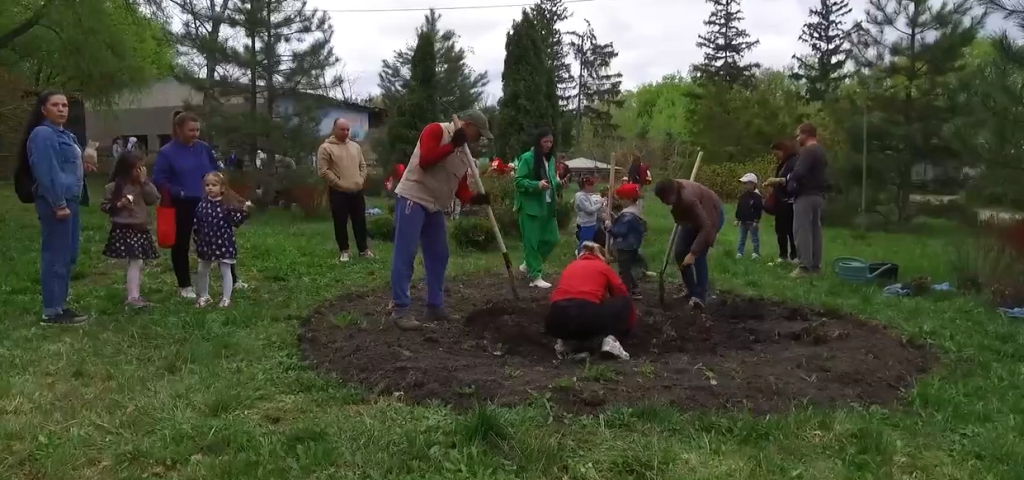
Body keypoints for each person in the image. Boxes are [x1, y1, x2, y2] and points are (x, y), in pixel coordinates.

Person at [390, 110, 493, 330]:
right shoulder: (436, 130)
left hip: (435, 205)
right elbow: (425, 162)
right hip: (414, 197)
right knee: (405, 253)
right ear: (467, 125)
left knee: (439, 255)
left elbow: (460, 188)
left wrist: (474, 199)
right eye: (479, 132)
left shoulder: (464, 152)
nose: (480, 138)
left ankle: (435, 306)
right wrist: (451, 145)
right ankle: (400, 310)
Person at [18, 90, 93, 325]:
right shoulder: (42, 134)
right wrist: (58, 203)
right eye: (55, 105)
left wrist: (81, 166)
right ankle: (52, 311)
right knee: (56, 255)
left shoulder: (64, 134)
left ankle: (60, 305)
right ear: (44, 110)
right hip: (55, 201)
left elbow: (62, 166)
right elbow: (46, 171)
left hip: (69, 199)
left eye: (64, 105)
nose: (62, 109)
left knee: (68, 254)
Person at [153, 112, 245, 298]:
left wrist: (222, 190)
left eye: (197, 130)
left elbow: (214, 171)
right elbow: (159, 179)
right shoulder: (167, 152)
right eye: (191, 130)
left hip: (209, 202)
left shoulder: (203, 148)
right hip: (182, 204)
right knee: (181, 244)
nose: (195, 134)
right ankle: (185, 285)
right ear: (178, 129)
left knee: (220, 237)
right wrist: (177, 191)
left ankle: (233, 280)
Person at [546, 241, 635, 360]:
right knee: (623, 301)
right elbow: (622, 294)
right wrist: (627, 328)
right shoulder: (603, 267)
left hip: (554, 321)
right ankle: (612, 341)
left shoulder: (571, 266)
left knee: (572, 309)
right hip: (588, 318)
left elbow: (555, 298)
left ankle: (567, 345)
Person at [766, 123, 828, 277]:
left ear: (806, 134)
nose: (797, 138)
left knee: (802, 230)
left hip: (805, 195)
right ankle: (815, 266)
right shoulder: (821, 151)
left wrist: (784, 180)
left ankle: (804, 267)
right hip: (818, 195)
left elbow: (798, 173)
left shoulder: (807, 151)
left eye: (798, 134)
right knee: (815, 231)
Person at [652, 178, 725, 311]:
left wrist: (692, 253)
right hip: (691, 217)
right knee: (680, 253)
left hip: (711, 214)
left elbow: (706, 227)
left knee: (699, 256)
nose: (664, 203)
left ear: (671, 194)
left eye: (665, 199)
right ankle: (691, 290)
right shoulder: (672, 189)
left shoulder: (688, 199)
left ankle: (700, 297)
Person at [100, 151, 161, 307]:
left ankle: (135, 295)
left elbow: (153, 199)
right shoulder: (113, 187)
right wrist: (118, 205)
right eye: (138, 168)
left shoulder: (142, 186)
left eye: (143, 168)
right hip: (124, 228)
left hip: (140, 227)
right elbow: (105, 207)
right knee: (136, 261)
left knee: (138, 262)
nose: (141, 172)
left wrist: (145, 182)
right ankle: (133, 297)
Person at [514, 128, 566, 289]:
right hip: (530, 207)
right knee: (531, 243)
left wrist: (559, 183)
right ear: (538, 142)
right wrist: (536, 185)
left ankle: (528, 264)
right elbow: (518, 181)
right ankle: (535, 276)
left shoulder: (549, 160)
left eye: (551, 141)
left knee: (552, 238)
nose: (549, 145)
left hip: (547, 206)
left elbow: (550, 180)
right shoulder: (527, 158)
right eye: (545, 141)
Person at [317, 118, 372, 262]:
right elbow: (323, 170)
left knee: (360, 221)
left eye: (348, 129)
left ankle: (363, 250)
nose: (346, 132)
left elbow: (363, 166)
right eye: (342, 129)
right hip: (338, 192)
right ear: (334, 129)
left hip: (356, 190)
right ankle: (344, 251)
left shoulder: (355, 147)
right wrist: (338, 183)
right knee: (340, 222)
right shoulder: (326, 148)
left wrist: (360, 180)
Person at [193, 172, 250, 307]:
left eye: (214, 185)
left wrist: (245, 211)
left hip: (224, 243)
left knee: (225, 269)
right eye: (207, 185)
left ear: (223, 188)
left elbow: (236, 222)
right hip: (206, 244)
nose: (210, 188)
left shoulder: (227, 206)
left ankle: (226, 298)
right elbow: (197, 223)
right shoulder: (202, 205)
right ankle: (204, 296)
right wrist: (197, 238)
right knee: (202, 269)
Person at [606, 182, 650, 299]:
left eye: (621, 199)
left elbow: (619, 231)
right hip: (633, 246)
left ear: (629, 199)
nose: (620, 201)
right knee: (627, 269)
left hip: (625, 246)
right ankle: (635, 290)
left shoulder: (628, 215)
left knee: (623, 271)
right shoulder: (636, 211)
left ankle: (624, 293)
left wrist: (609, 226)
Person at [766, 140, 799, 265]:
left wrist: (777, 181)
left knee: (791, 229)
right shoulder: (783, 164)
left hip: (789, 201)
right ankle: (783, 255)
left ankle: (795, 255)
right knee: (780, 229)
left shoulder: (794, 162)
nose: (776, 156)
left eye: (777, 153)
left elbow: (792, 180)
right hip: (780, 201)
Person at [735, 173, 763, 259]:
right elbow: (740, 208)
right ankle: (740, 252)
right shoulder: (742, 197)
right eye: (743, 183)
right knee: (742, 238)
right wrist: (738, 219)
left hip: (752, 221)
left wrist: (756, 220)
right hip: (743, 221)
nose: (744, 185)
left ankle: (755, 253)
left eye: (746, 183)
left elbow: (758, 209)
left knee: (754, 238)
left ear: (753, 184)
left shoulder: (757, 197)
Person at [573, 175, 603, 255]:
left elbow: (592, 204)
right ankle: (580, 255)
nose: (592, 186)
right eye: (591, 184)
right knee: (584, 242)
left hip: (590, 223)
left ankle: (584, 255)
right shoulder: (581, 197)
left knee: (588, 241)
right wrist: (600, 204)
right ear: (586, 185)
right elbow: (589, 210)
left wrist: (599, 202)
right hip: (586, 223)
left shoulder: (586, 195)